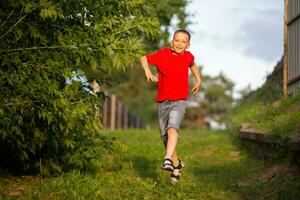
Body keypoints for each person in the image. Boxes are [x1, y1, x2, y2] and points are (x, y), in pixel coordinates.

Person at [140, 29, 201, 184]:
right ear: (172, 41)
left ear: (188, 45)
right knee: (164, 137)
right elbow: (144, 58)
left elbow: (193, 65)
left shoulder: (188, 56)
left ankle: (167, 159)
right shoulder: (162, 54)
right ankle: (177, 164)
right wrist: (147, 71)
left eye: (183, 41)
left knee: (172, 128)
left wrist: (198, 80)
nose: (180, 43)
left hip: (179, 101)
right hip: (163, 101)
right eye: (177, 40)